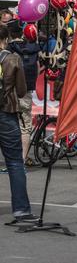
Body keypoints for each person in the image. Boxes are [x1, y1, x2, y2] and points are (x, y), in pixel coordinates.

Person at [0, 25, 36, 224]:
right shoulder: (13, 59)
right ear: (5, 40)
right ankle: (21, 210)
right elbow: (22, 91)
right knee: (14, 162)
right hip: (6, 113)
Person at [7, 19, 40, 163]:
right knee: (25, 126)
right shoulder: (33, 48)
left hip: (9, 91)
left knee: (7, 124)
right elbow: (38, 68)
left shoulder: (8, 48)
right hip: (26, 90)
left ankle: (10, 158)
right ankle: (22, 159)